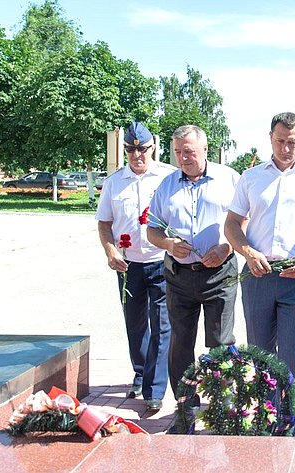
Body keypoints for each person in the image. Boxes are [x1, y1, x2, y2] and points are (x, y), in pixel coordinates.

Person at [224, 112, 295, 413]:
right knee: (259, 354)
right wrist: (247, 251)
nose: (286, 149)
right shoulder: (251, 178)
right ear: (270, 138)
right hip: (259, 274)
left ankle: (289, 423)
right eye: (280, 141)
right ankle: (263, 416)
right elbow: (232, 224)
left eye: (293, 143)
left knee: (293, 355)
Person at [146, 125, 240, 431]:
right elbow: (152, 229)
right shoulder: (166, 185)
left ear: (204, 150)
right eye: (177, 152)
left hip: (220, 274)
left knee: (221, 344)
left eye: (189, 151)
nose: (183, 158)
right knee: (181, 342)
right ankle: (186, 407)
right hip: (179, 276)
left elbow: (244, 221)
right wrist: (169, 244)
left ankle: (221, 407)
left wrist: (227, 246)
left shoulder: (230, 179)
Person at [95, 122, 177, 411]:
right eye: (130, 149)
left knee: (162, 323)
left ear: (153, 146)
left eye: (142, 148)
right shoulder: (114, 182)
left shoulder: (169, 177)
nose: (136, 154)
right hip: (129, 265)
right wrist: (109, 250)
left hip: (162, 261)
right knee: (135, 323)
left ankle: (154, 388)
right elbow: (104, 224)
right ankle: (141, 372)